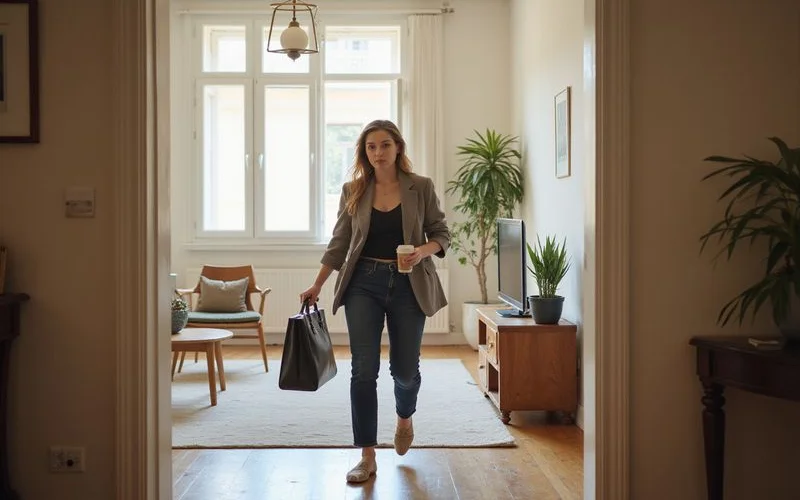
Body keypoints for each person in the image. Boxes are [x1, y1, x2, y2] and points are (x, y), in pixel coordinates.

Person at [300, 119, 450, 484]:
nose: (378, 153)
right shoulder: (354, 189)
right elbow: (339, 243)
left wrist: (422, 250)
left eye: (384, 145)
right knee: (363, 370)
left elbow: (442, 233)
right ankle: (366, 456)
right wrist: (317, 284)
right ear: (364, 152)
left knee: (404, 370)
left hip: (408, 283)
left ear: (398, 147)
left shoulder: (421, 187)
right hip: (363, 284)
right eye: (371, 147)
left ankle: (404, 417)